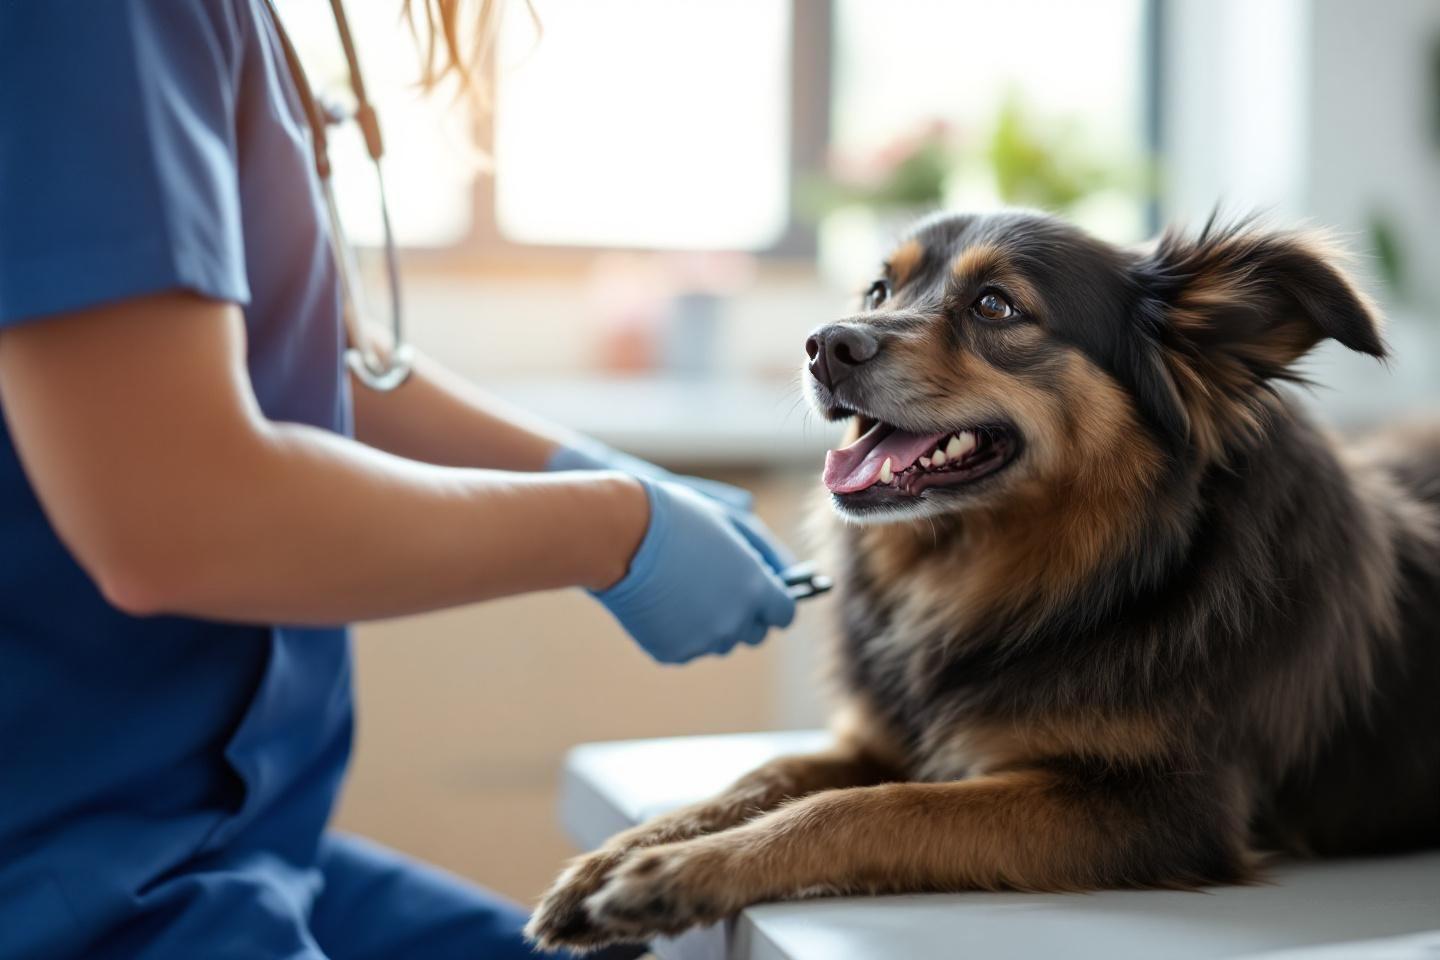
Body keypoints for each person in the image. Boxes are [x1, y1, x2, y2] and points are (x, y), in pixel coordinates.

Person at [0, 2, 798, 957]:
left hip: (221, 843)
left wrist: (586, 467)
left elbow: (302, 356)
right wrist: (615, 527)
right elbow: (175, 516)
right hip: (64, 869)